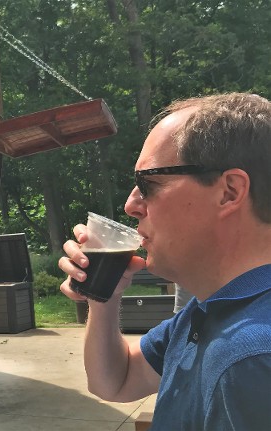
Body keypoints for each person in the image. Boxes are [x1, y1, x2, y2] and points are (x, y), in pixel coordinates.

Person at [58, 92, 271, 430]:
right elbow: (115, 381)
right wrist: (104, 297)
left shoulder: (253, 358)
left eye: (149, 183)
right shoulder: (210, 308)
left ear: (229, 191)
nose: (131, 205)